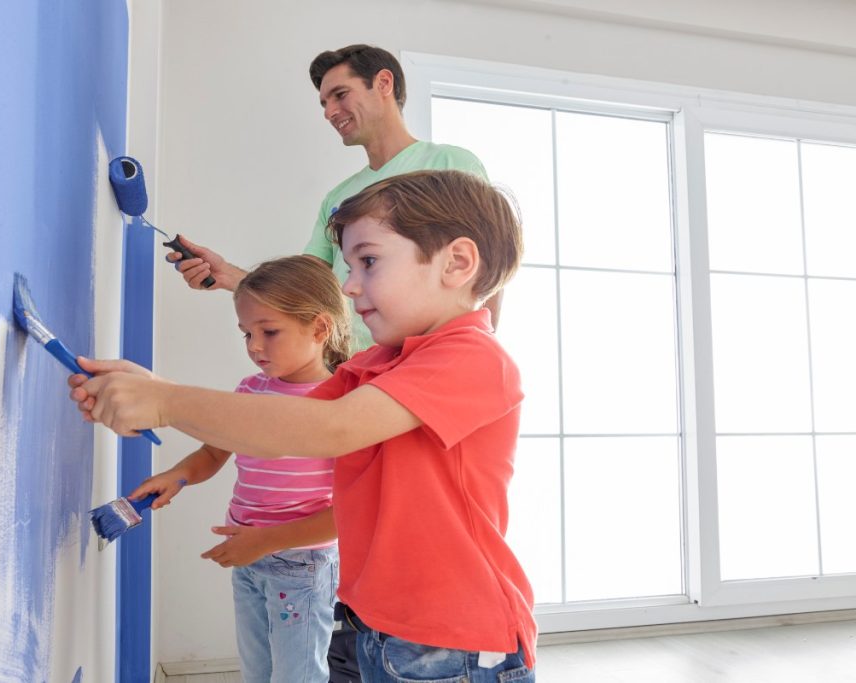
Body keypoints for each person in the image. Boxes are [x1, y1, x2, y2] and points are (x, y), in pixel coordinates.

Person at [69, 170, 537, 682]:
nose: (349, 284)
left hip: (457, 641)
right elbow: (279, 420)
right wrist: (149, 389)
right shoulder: (381, 362)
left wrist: (164, 402)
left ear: (458, 263)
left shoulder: (472, 358)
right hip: (380, 625)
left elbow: (328, 429)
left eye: (369, 261)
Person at [170, 43, 499, 351]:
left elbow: (492, 265)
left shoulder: (450, 165)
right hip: (351, 367)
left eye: (340, 95)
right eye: (324, 103)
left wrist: (480, 348)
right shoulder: (338, 198)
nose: (330, 112)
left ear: (384, 83)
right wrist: (229, 274)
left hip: (432, 358)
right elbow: (307, 287)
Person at [125, 255, 353, 683]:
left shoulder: (344, 403)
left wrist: (264, 542)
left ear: (320, 329)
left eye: (269, 332)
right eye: (247, 333)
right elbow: (213, 453)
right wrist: (175, 475)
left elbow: (346, 516)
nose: (253, 346)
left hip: (301, 564)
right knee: (257, 671)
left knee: (297, 677)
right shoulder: (250, 390)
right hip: (247, 555)